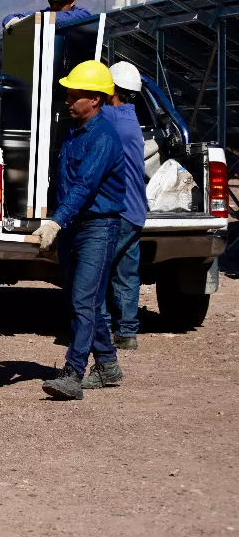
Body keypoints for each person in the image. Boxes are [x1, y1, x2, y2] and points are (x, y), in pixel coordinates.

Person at [33, 60, 127, 400]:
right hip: (76, 227)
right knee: (83, 301)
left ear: (96, 100)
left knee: (83, 300)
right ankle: (108, 365)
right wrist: (57, 220)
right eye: (69, 95)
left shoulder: (104, 138)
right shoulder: (75, 134)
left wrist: (57, 221)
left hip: (99, 227)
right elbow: (65, 184)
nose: (68, 101)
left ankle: (73, 373)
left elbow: (85, 184)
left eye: (75, 96)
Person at [99, 61, 149, 356]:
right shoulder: (130, 117)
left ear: (111, 90)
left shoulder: (110, 118)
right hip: (135, 209)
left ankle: (102, 328)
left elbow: (84, 113)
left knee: (99, 269)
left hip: (117, 210)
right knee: (126, 272)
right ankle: (127, 332)